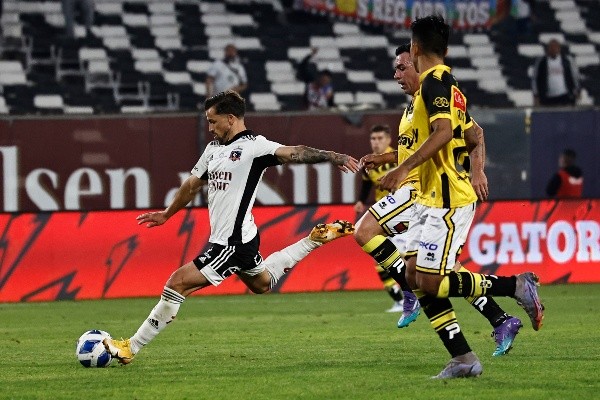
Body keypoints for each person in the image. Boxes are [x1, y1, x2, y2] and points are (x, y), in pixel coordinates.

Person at [102, 90, 360, 364]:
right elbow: (191, 185)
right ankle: (313, 240)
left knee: (177, 283)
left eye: (213, 121)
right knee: (262, 284)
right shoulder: (213, 149)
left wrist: (331, 155)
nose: (210, 128)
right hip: (243, 237)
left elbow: (295, 152)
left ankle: (131, 347)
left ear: (231, 118)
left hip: (233, 243)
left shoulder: (255, 147)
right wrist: (167, 214)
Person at [378, 16, 544, 378]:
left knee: (431, 282)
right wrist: (478, 168)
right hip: (429, 198)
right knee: (413, 276)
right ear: (446, 48)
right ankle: (464, 359)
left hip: (448, 199)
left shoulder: (435, 82)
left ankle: (516, 285)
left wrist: (403, 169)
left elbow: (443, 131)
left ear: (415, 49)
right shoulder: (445, 88)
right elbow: (473, 134)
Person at [356, 44, 523, 359]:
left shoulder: (437, 96)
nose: (396, 75)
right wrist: (385, 158)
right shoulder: (414, 106)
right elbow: (415, 150)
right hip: (422, 191)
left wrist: (478, 171)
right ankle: (499, 319)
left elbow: (474, 134)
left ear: (419, 64)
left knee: (366, 232)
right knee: (443, 272)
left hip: (426, 189)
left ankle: (410, 292)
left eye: (402, 67)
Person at [354, 124, 406, 313]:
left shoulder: (400, 157)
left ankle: (413, 295)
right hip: (382, 217)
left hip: (403, 213)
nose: (376, 142)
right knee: (382, 262)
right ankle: (401, 299)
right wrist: (361, 200)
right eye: (373, 139)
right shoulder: (370, 162)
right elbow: (367, 184)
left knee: (402, 258)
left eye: (380, 138)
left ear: (389, 140)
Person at [532, 39, 580, 106]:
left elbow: (574, 76)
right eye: (551, 47)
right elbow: (535, 78)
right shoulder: (541, 62)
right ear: (548, 49)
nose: (553, 49)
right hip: (547, 97)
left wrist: (577, 90)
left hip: (565, 95)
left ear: (559, 48)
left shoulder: (567, 60)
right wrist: (536, 94)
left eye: (555, 47)